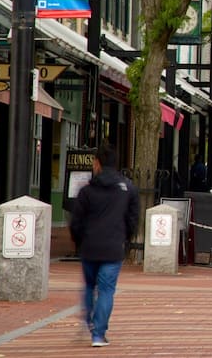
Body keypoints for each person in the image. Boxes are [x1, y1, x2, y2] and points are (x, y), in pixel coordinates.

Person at [69, 144, 140, 348]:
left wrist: (79, 241)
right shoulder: (127, 189)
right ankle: (98, 334)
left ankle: (89, 321)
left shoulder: (87, 191)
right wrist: (125, 238)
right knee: (107, 290)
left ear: (97, 163)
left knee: (90, 286)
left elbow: (77, 221)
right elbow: (132, 219)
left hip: (90, 246)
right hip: (113, 246)